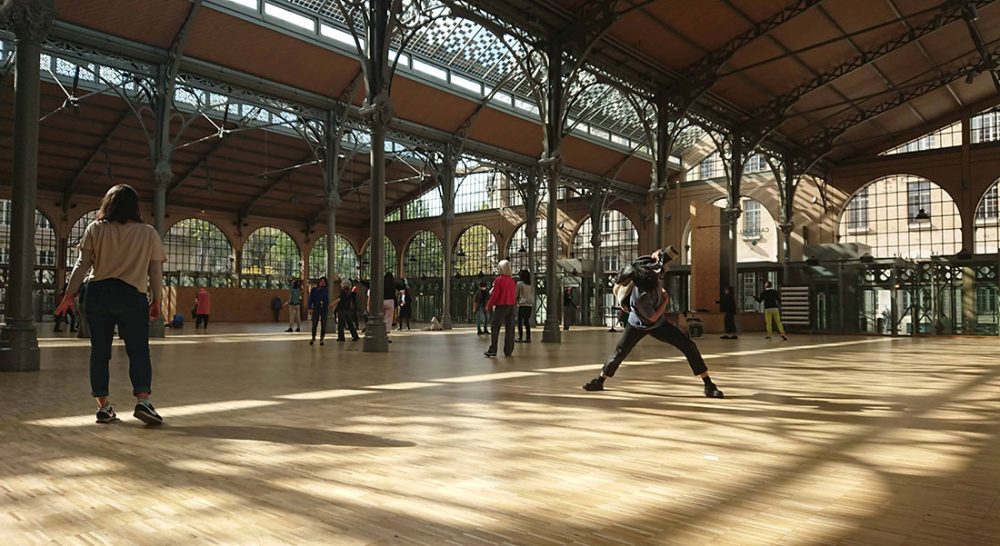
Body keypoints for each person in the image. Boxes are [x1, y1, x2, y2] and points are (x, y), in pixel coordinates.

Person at [54, 183, 167, 425]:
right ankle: (143, 401)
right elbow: (155, 270)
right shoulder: (148, 233)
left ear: (108, 204)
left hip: (98, 293)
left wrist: (68, 295)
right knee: (138, 351)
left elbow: (81, 265)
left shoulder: (96, 228)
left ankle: (103, 407)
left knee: (99, 353)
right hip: (132, 296)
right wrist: (157, 299)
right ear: (135, 206)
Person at [582, 251, 724, 399]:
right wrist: (665, 301)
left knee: (688, 345)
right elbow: (652, 317)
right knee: (620, 352)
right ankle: (599, 381)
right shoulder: (640, 299)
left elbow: (661, 260)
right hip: (639, 324)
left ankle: (708, 385)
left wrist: (657, 254)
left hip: (658, 323)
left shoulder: (649, 276)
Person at [484, 260, 516, 358]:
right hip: (511, 306)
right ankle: (508, 350)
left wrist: (489, 305)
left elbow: (495, 295)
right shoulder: (512, 281)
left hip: (501, 306)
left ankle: (493, 349)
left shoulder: (499, 280)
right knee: (510, 328)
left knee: (495, 327)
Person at [308, 277, 330, 345]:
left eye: (324, 282)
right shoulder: (314, 290)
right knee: (314, 323)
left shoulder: (326, 290)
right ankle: (313, 337)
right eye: (321, 281)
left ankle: (322, 338)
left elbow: (326, 299)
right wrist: (310, 308)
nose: (322, 283)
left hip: (324, 309)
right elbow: (310, 299)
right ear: (319, 282)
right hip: (316, 308)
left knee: (324, 324)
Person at [515, 269, 534, 343]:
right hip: (530, 304)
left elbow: (516, 295)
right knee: (526, 321)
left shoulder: (519, 284)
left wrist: (516, 302)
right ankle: (528, 338)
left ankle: (520, 337)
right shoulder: (530, 284)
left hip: (522, 303)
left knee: (520, 321)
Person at [382, 271, 396, 342]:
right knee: (388, 319)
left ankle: (379, 333)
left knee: (380, 317)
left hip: (381, 301)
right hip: (390, 301)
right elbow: (402, 285)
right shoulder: (393, 284)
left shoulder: (382, 283)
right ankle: (385, 335)